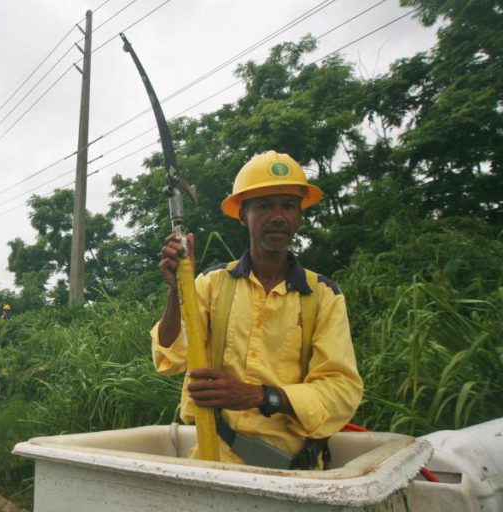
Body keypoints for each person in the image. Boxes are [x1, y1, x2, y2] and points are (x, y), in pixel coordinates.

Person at [151, 150, 363, 469]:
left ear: (299, 216)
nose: (278, 216)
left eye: (289, 205)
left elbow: (341, 391)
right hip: (212, 464)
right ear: (243, 214)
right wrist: (176, 291)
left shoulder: (323, 296)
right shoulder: (211, 284)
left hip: (293, 475)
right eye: (265, 205)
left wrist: (259, 397)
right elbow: (170, 357)